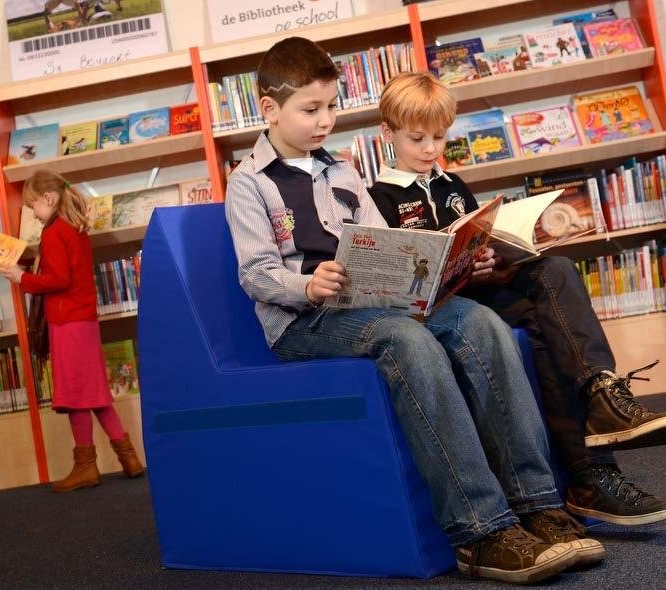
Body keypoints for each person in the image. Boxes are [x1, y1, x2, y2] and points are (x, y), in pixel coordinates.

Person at [225, 36, 604, 584]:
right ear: (269, 109)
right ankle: (481, 530)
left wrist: (424, 267)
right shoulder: (248, 183)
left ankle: (537, 502)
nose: (325, 120)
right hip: (304, 321)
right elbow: (255, 273)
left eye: (332, 106)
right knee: (407, 340)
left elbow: (378, 242)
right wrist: (306, 285)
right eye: (311, 110)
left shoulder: (342, 169)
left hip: (370, 303)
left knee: (481, 323)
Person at [367, 71, 666, 527]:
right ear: (387, 134)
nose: (430, 149)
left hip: (480, 292)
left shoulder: (452, 185)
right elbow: (393, 279)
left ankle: (603, 391)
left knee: (558, 270)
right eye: (417, 138)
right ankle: (590, 475)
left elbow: (478, 241)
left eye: (439, 137)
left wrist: (488, 259)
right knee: (548, 328)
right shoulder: (377, 199)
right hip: (442, 315)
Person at [0, 169, 144, 492]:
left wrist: (21, 278)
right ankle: (129, 458)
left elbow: (58, 279)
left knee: (75, 396)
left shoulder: (54, 232)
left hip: (67, 323)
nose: (33, 215)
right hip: (85, 321)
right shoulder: (75, 229)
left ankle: (85, 466)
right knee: (95, 394)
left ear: (48, 199)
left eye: (33, 206)